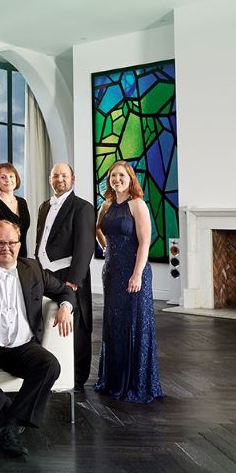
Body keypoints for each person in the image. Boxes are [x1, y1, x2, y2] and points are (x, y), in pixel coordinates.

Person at [0, 220, 74, 456]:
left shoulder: (34, 270)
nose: (6, 247)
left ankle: (7, 425)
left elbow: (65, 289)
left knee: (50, 365)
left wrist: (65, 306)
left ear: (19, 245)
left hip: (23, 347)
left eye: (11, 242)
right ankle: (8, 411)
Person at [94, 161, 164, 403]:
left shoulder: (137, 205)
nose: (117, 179)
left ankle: (136, 383)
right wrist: (106, 249)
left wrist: (136, 274)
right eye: (113, 176)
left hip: (135, 271)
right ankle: (113, 381)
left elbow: (145, 243)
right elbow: (98, 230)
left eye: (121, 175)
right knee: (115, 324)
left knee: (135, 324)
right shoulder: (106, 205)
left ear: (130, 178)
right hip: (112, 271)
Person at [35, 163, 95, 392]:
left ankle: (77, 378)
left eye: (64, 175)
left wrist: (73, 281)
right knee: (47, 319)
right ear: (50, 179)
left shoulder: (83, 207)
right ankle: (49, 370)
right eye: (55, 175)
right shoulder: (43, 207)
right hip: (45, 274)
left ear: (73, 178)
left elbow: (85, 247)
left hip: (69, 273)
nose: (60, 179)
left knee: (76, 325)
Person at [0, 162, 30, 258]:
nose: (8, 180)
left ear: (16, 179)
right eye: (3, 177)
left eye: (11, 176)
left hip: (22, 257)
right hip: (3, 258)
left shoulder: (23, 203)